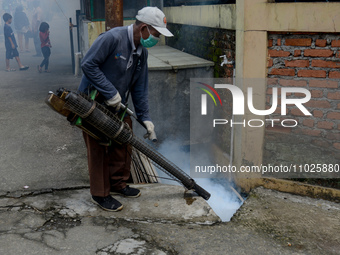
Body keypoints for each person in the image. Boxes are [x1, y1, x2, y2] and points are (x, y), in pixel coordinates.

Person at [78, 7, 173, 212]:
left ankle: (118, 183)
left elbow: (139, 87)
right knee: (98, 147)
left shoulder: (142, 53)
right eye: (156, 34)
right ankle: (100, 194)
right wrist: (110, 92)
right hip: (93, 102)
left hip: (117, 104)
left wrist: (145, 118)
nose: (156, 39)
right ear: (145, 28)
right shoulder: (113, 38)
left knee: (124, 140)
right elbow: (88, 64)